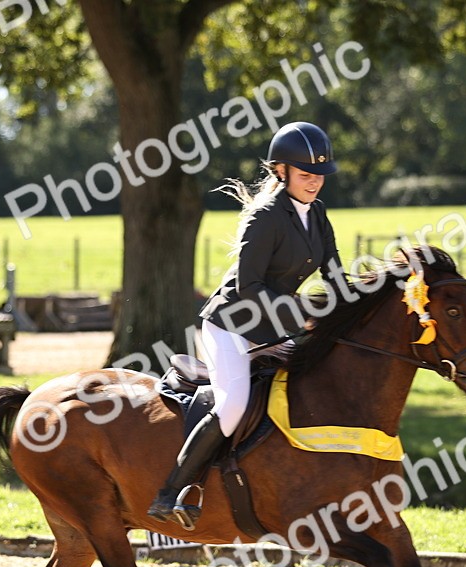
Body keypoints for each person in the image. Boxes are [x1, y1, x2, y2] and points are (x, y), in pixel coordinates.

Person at [147, 121, 344, 529]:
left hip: (276, 327)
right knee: (233, 405)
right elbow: (249, 286)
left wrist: (365, 304)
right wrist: (303, 314)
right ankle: (173, 490)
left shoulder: (318, 215)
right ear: (280, 171)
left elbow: (336, 275)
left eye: (319, 176)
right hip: (231, 326)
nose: (314, 183)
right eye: (306, 175)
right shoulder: (265, 217)